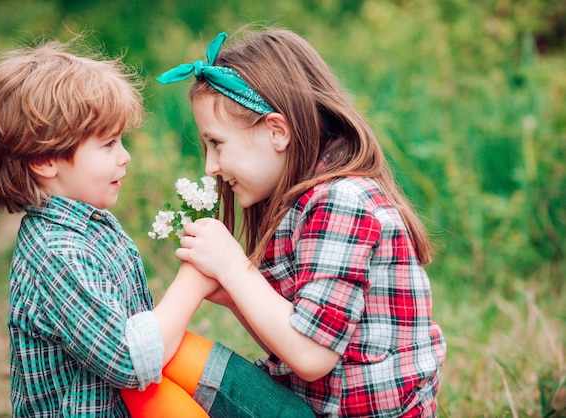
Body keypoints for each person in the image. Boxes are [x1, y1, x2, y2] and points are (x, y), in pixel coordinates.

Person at [0, 38, 315, 418]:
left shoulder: (93, 226)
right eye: (109, 143)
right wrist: (194, 278)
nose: (125, 155)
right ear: (46, 160)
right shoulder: (57, 252)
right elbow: (130, 360)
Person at [158, 29, 447, 417]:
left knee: (174, 363)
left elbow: (311, 355)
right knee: (177, 362)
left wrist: (233, 268)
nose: (210, 166)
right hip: (318, 405)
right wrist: (232, 292)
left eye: (217, 143)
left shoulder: (341, 202)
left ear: (276, 132)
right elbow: (292, 335)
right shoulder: (304, 203)